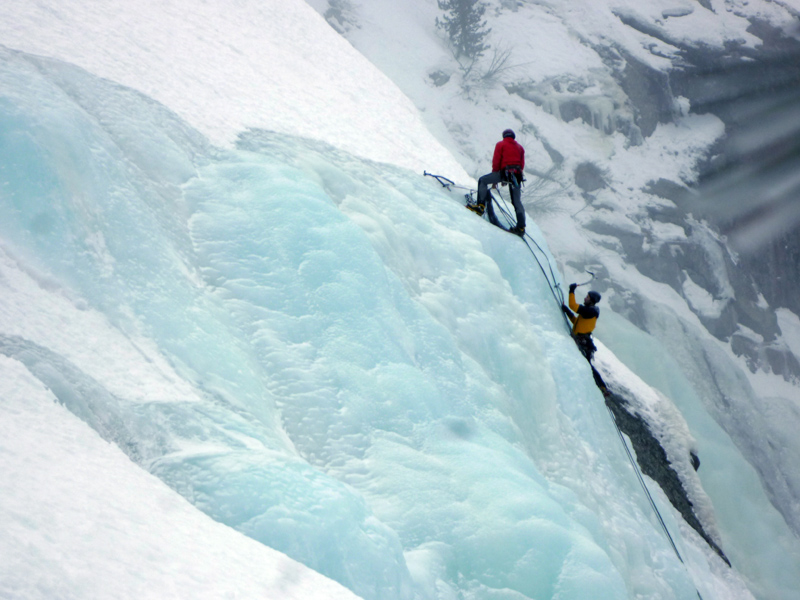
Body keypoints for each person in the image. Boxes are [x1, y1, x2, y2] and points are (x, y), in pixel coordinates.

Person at [468, 129, 526, 236]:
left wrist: (495, 179)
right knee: (517, 201)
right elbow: (521, 165)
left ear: (504, 136)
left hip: (504, 173)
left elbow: (496, 160)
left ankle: (480, 206)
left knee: (483, 180)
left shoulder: (501, 144)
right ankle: (521, 227)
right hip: (516, 176)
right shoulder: (520, 148)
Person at [561, 283, 601, 360]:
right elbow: (577, 323)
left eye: (587, 297)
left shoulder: (589, 311)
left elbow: (573, 305)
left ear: (591, 300)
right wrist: (568, 312)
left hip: (581, 343)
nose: (585, 298)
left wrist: (572, 290)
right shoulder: (590, 311)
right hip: (582, 342)